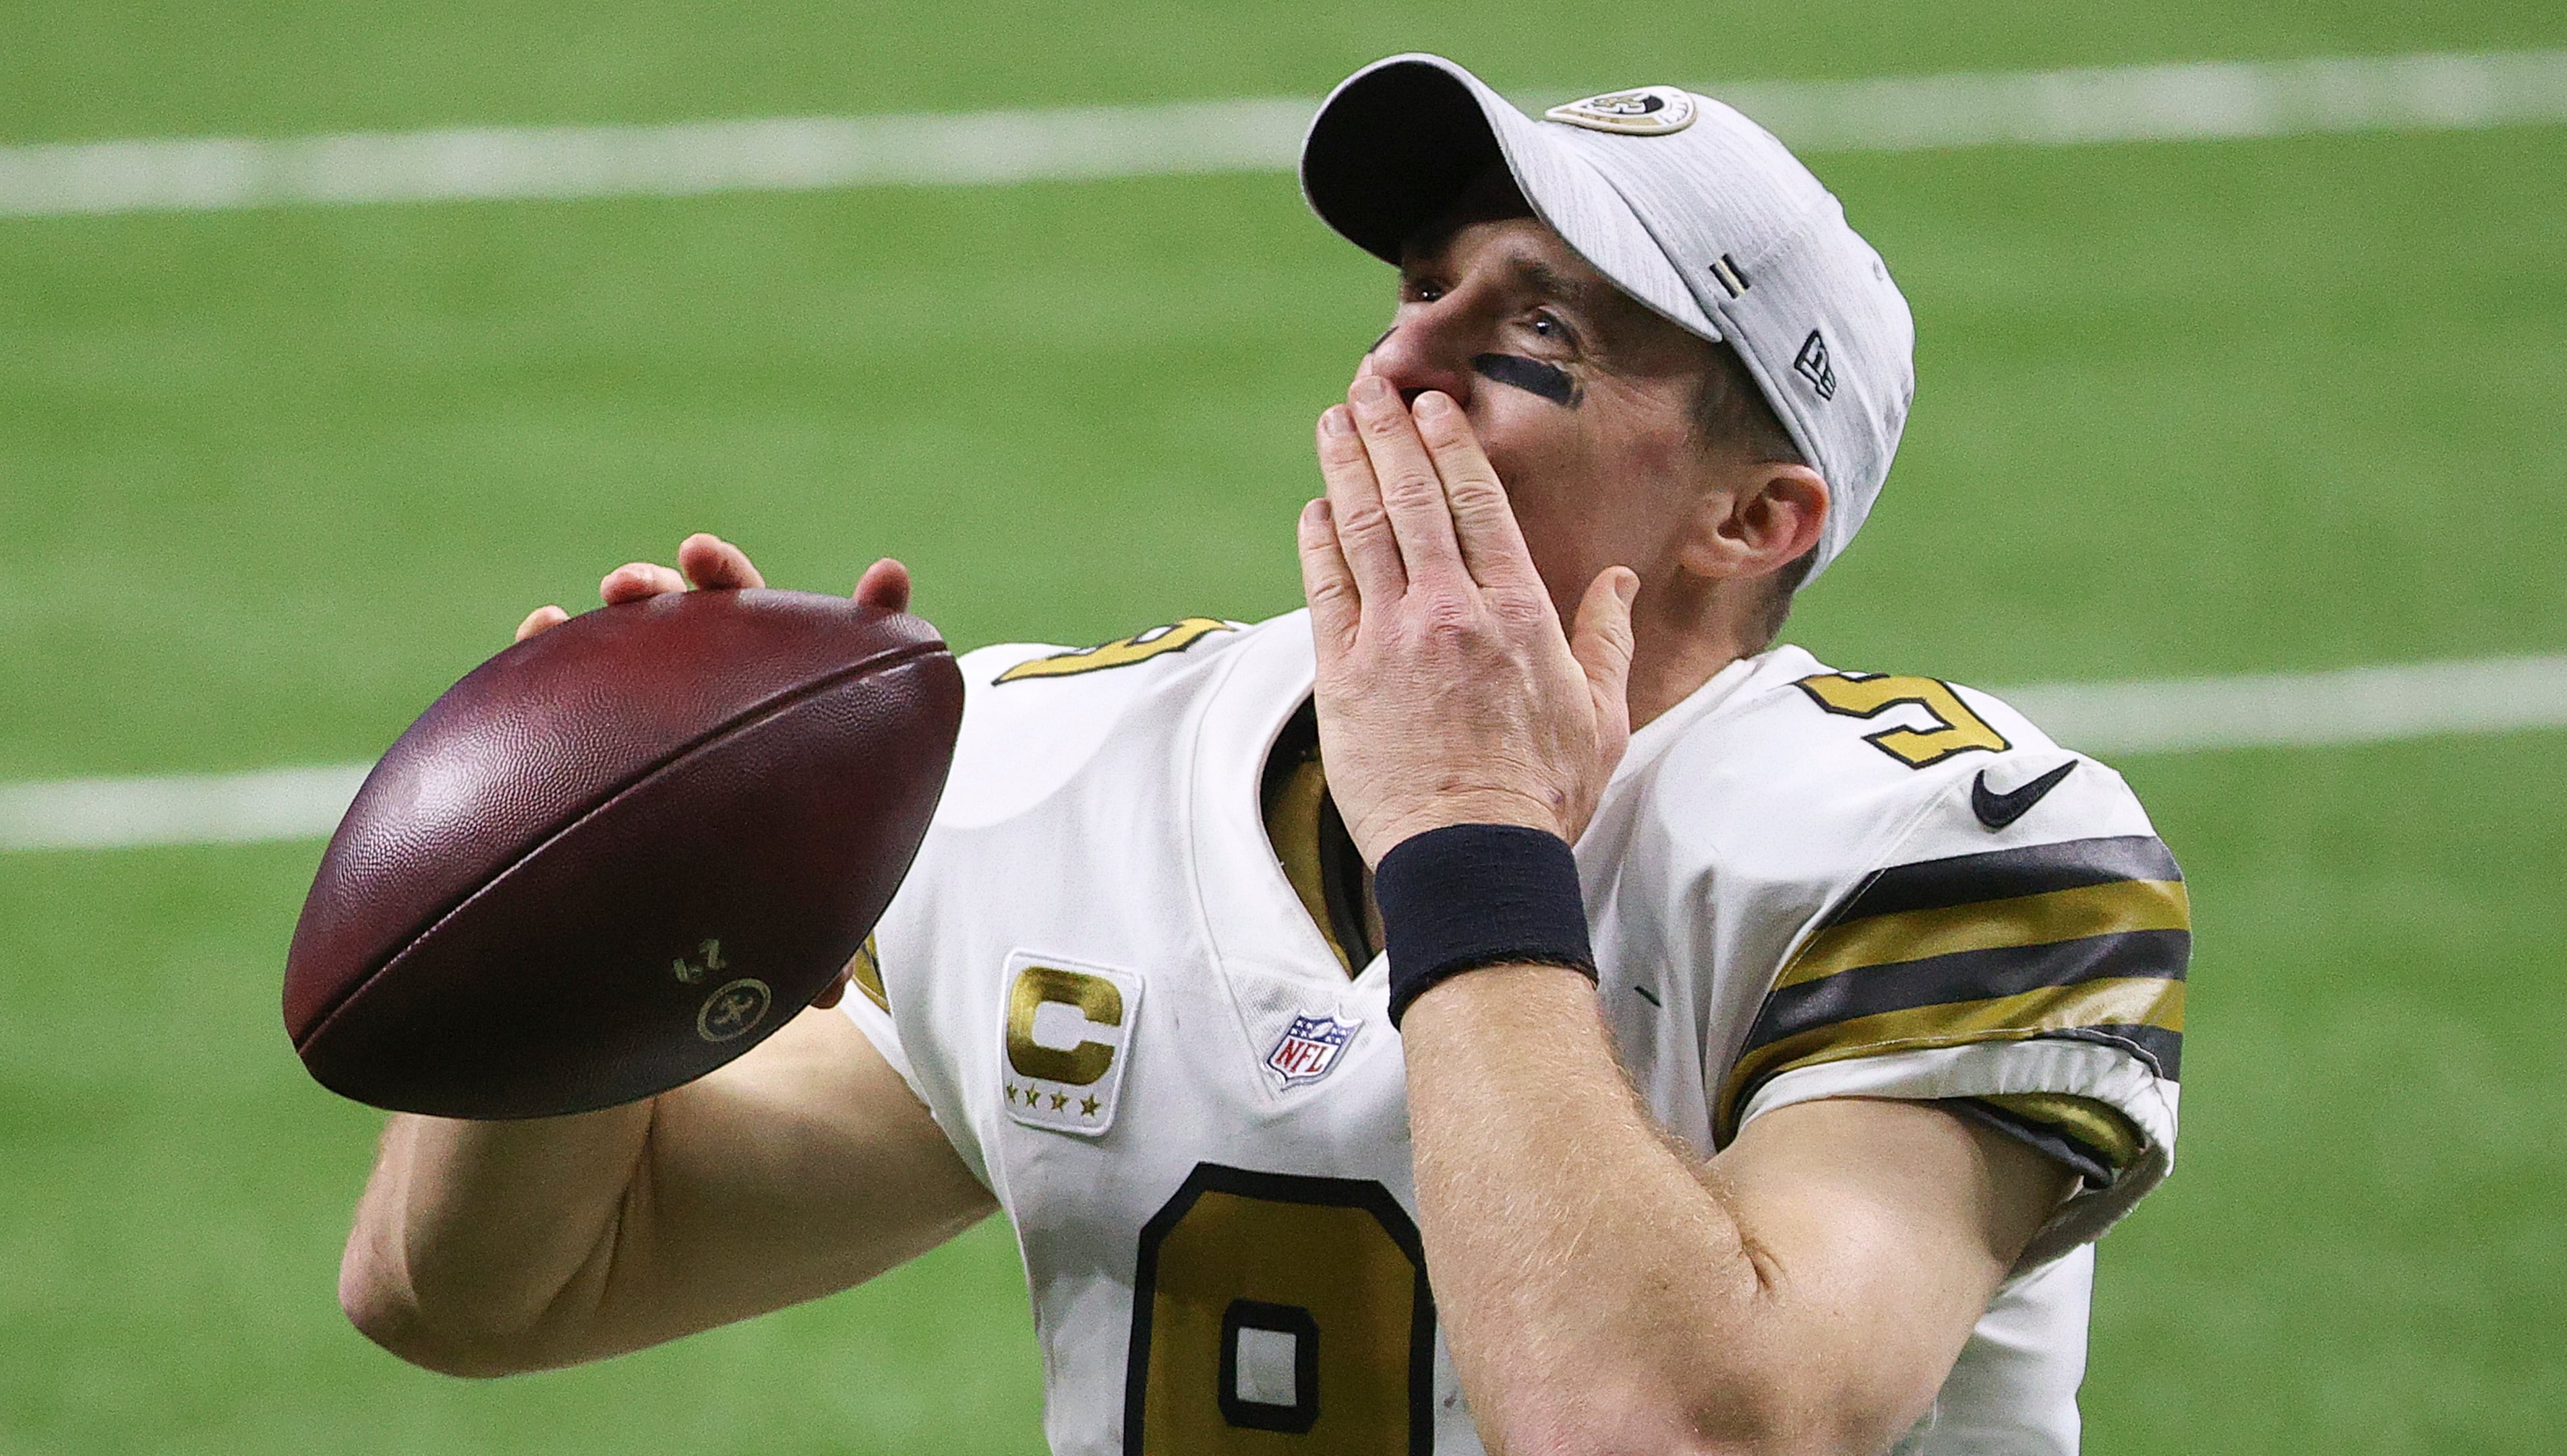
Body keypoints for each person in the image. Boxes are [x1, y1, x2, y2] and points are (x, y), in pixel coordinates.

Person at [341, 55, 2186, 1456]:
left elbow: (1665, 1429)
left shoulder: (1942, 848)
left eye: (1537, 327)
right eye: (1420, 286)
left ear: (1754, 517)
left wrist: (1467, 835)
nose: (1401, 361)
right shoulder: (1058, 762)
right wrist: (611, 913)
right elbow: (483, 1293)